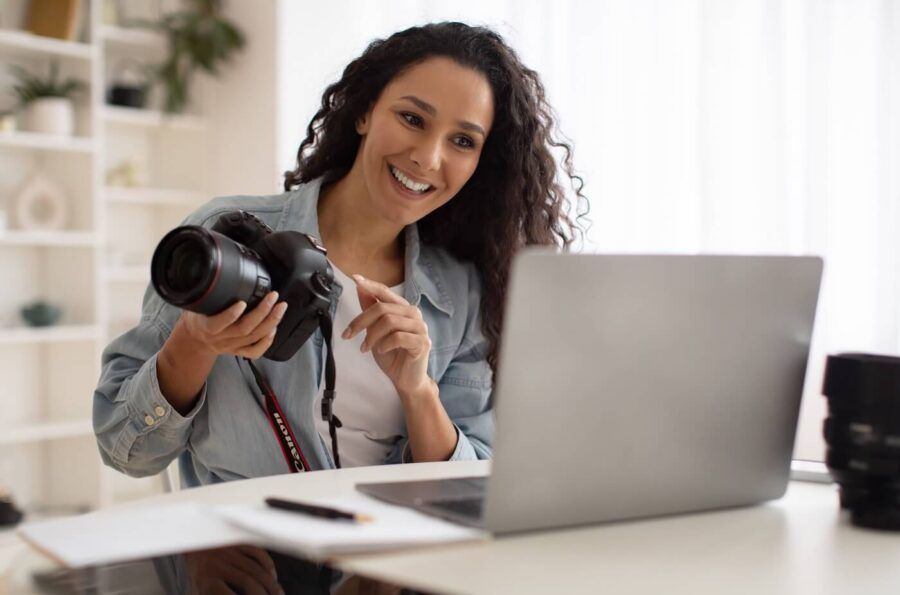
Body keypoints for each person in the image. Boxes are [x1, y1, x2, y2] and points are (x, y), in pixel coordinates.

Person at [94, 21, 585, 593]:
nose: (427, 156)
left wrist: (418, 389)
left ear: (481, 162)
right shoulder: (221, 240)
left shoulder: (465, 290)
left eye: (462, 140)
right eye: (412, 118)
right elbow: (122, 447)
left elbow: (473, 487)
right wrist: (195, 343)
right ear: (363, 112)